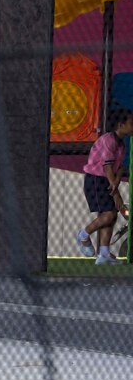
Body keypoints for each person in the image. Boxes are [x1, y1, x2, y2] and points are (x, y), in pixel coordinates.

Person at [76, 109, 133, 265]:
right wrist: (114, 188)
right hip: (96, 180)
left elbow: (119, 167)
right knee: (108, 215)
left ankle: (104, 254)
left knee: (112, 215)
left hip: (108, 180)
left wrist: (116, 183)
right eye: (131, 123)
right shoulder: (108, 140)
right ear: (121, 125)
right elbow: (107, 167)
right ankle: (83, 235)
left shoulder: (121, 143)